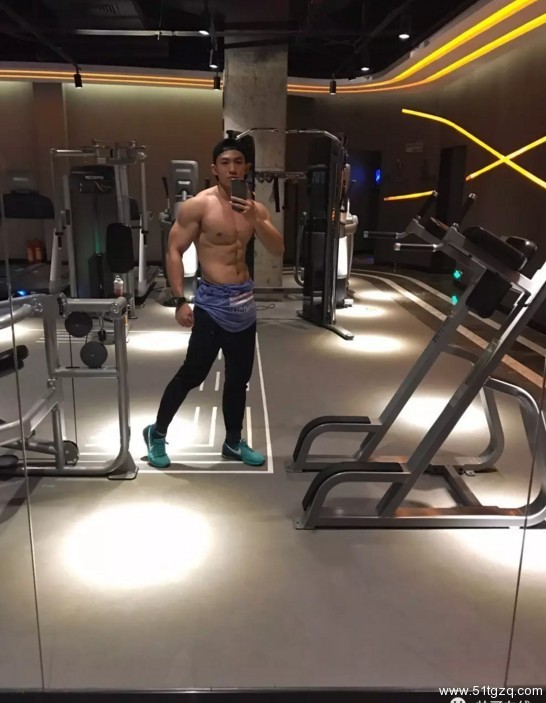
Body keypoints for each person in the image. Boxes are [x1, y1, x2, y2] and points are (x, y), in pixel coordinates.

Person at [143, 137, 284, 468]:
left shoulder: (254, 207)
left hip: (245, 305)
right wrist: (180, 299)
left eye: (238, 162)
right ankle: (157, 434)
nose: (232, 168)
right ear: (214, 169)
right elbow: (174, 250)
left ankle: (233, 442)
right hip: (212, 305)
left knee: (238, 380)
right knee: (192, 375)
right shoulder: (199, 206)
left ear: (247, 167)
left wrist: (257, 218)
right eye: (225, 162)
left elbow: (278, 249)